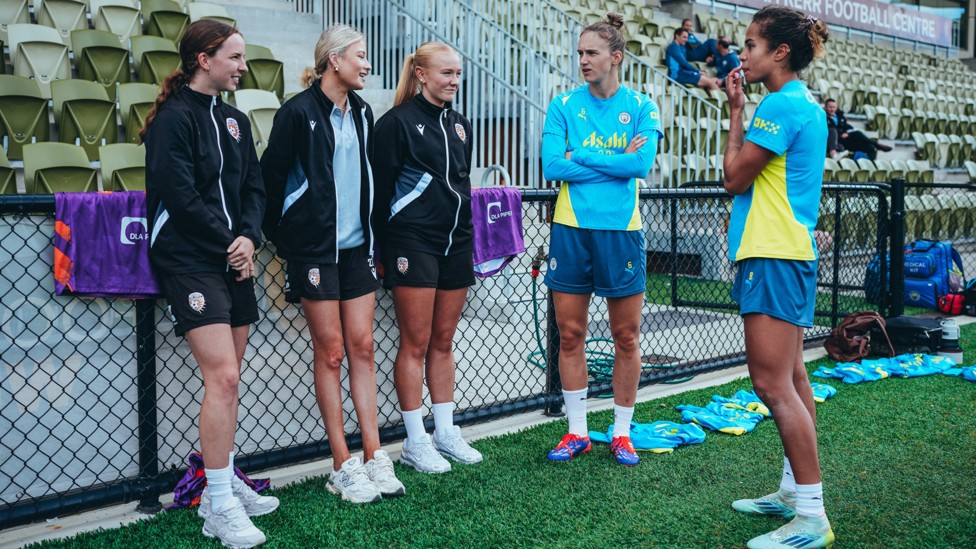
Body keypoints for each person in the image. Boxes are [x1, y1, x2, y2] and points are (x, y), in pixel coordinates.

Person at [142, 19, 277, 549]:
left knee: (232, 378)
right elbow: (178, 196)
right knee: (221, 376)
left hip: (232, 256)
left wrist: (248, 236)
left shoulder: (237, 119)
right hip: (190, 259)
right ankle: (217, 504)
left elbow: (253, 188)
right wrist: (231, 241)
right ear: (205, 59)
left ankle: (223, 477)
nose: (243, 67)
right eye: (235, 58)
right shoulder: (172, 120)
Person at [260, 25, 404, 503]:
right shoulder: (297, 113)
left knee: (363, 347)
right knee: (332, 352)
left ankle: (373, 455)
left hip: (357, 249)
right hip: (315, 252)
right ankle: (341, 464)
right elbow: (270, 181)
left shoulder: (363, 113)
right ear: (334, 60)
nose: (367, 65)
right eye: (361, 56)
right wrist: (290, 240)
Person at [722, 6, 835, 549]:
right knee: (792, 379)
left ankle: (812, 515)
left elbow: (733, 177)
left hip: (772, 254)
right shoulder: (804, 105)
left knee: (772, 385)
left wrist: (735, 113)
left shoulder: (778, 107)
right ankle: (795, 493)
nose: (742, 55)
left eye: (750, 45)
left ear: (779, 53)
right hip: (788, 253)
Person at [541, 13, 661, 466]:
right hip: (570, 230)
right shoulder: (563, 105)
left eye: (591, 53)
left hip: (621, 234)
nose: (583, 60)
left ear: (616, 56)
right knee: (570, 335)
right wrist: (612, 157)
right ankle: (577, 432)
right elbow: (553, 166)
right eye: (579, 53)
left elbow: (640, 166)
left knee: (625, 337)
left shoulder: (644, 106)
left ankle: (622, 432)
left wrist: (583, 154)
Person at [372, 41, 483, 474]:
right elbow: (380, 194)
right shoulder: (395, 124)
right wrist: (384, 247)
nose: (454, 81)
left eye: (458, 73)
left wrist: (468, 238)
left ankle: (446, 431)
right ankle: (415, 441)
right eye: (446, 73)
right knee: (415, 343)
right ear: (420, 74)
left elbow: (461, 185)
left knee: (443, 341)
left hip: (456, 243)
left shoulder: (461, 125)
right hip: (410, 243)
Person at [824, 98, 891, 160]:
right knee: (857, 134)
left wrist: (847, 132)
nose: (832, 109)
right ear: (826, 107)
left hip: (846, 139)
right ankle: (877, 145)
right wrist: (841, 133)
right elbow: (829, 128)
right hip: (835, 140)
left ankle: (868, 165)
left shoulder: (839, 116)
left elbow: (847, 126)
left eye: (834, 107)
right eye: (830, 107)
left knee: (870, 147)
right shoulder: (823, 116)